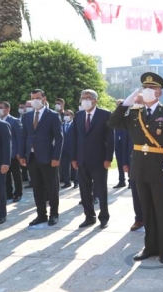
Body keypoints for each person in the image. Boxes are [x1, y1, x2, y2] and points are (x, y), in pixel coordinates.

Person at [108, 72, 163, 264]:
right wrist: (126, 102)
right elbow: (113, 123)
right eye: (144, 88)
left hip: (161, 169)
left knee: (161, 211)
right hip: (140, 169)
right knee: (146, 210)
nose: (147, 91)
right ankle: (149, 248)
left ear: (159, 92)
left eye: (151, 88)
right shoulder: (134, 113)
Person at [71, 89, 115, 229]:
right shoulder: (78, 116)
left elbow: (110, 138)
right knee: (84, 190)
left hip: (100, 159)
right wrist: (73, 158)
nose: (85, 100)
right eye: (83, 97)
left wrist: (108, 158)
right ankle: (89, 216)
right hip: (82, 159)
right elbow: (74, 138)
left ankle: (104, 217)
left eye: (88, 97)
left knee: (101, 190)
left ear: (95, 100)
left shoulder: (105, 114)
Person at [19, 89, 63, 227]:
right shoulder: (27, 116)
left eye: (37, 98)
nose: (35, 101)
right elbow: (24, 137)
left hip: (48, 158)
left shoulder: (53, 115)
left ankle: (54, 214)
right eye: (32, 98)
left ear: (44, 99)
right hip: (32, 158)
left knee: (52, 188)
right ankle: (41, 215)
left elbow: (59, 138)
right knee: (37, 188)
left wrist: (56, 157)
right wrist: (22, 154)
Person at [0, 101, 24, 202]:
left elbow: (20, 137)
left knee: (16, 174)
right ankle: (8, 193)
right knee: (5, 174)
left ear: (7, 109)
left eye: (1, 107)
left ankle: (18, 193)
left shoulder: (14, 121)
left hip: (13, 153)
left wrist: (19, 153)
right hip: (2, 154)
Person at [127, 94, 145, 232]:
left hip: (150, 162)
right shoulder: (130, 118)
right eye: (136, 102)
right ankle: (138, 218)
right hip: (133, 161)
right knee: (135, 192)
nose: (137, 104)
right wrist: (124, 162)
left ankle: (149, 218)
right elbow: (124, 144)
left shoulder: (151, 117)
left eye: (140, 102)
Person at [113, 99, 133, 189]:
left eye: (120, 104)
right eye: (117, 104)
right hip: (118, 142)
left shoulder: (129, 115)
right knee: (119, 161)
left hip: (127, 142)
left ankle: (130, 181)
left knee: (128, 161)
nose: (118, 106)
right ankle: (121, 180)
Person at [60, 110, 77, 189]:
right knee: (65, 167)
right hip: (64, 149)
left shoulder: (75, 125)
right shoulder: (61, 125)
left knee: (75, 166)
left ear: (72, 116)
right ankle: (67, 182)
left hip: (73, 149)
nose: (66, 116)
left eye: (68, 114)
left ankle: (76, 182)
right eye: (65, 114)